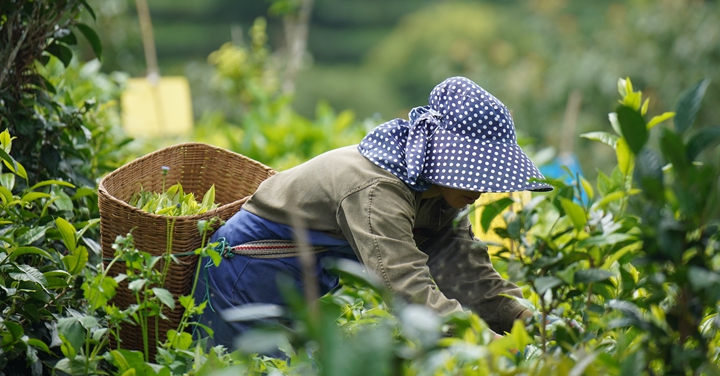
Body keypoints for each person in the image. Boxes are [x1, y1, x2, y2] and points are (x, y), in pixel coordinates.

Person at [194, 76, 552, 350]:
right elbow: (406, 288)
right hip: (242, 276)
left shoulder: (438, 196)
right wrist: (484, 341)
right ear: (445, 157)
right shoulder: (378, 191)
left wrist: (527, 319)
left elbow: (468, 275)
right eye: (474, 172)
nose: (481, 188)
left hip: (297, 286)